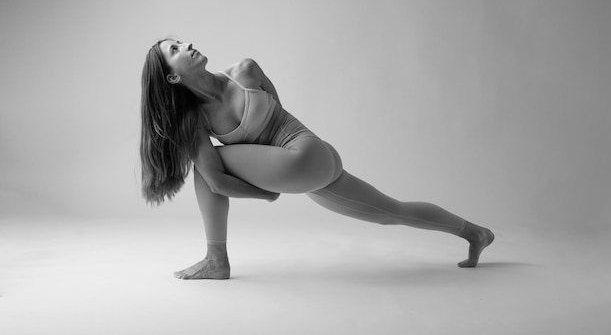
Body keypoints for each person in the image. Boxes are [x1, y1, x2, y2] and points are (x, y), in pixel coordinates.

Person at [140, 39, 494, 279]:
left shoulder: (245, 70)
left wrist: (266, 193)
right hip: (312, 168)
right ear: (172, 76)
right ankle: (475, 232)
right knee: (391, 212)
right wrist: (267, 187)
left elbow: (276, 117)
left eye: (182, 40)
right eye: (175, 48)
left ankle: (217, 259)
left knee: (206, 169)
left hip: (304, 155)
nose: (187, 44)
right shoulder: (195, 120)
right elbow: (220, 176)